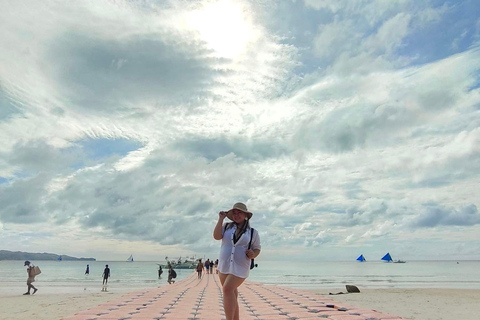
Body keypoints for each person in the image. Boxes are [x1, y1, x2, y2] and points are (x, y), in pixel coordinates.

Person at [213, 202, 261, 320]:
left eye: (239, 212)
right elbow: (216, 236)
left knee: (227, 289)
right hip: (224, 265)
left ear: (245, 215)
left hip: (241, 265)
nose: (236, 215)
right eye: (234, 212)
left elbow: (257, 248)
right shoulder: (226, 227)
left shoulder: (252, 232)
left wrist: (253, 254)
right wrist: (220, 219)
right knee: (232, 292)